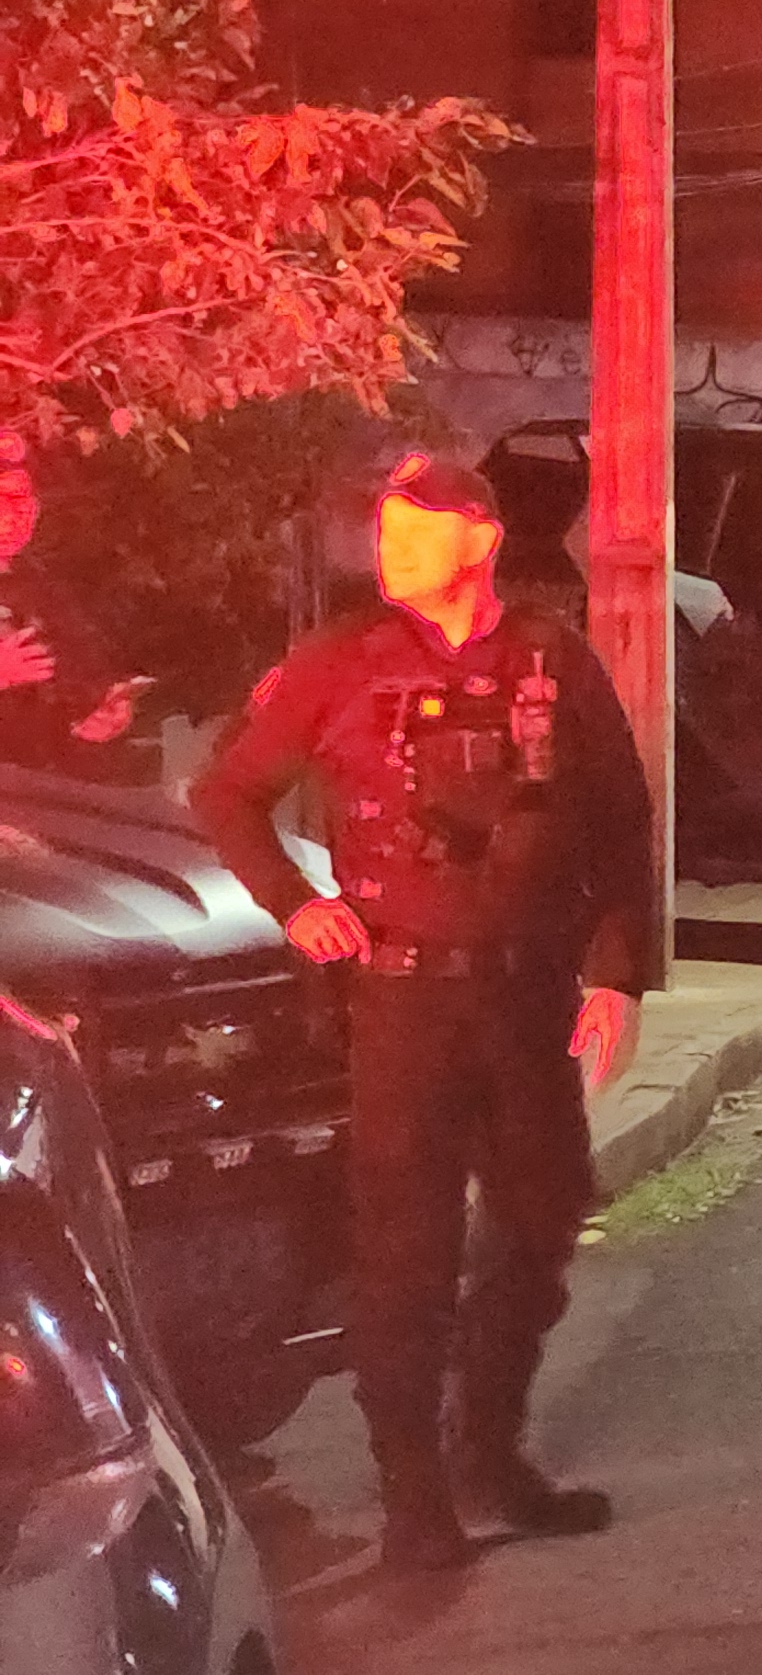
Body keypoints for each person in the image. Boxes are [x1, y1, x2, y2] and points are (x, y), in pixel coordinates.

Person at [191, 454, 660, 1573]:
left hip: (526, 994)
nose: (389, 548)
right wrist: (296, 902)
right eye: (385, 529)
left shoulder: (550, 656)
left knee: (540, 1221)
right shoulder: (343, 659)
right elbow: (228, 791)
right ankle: (413, 1496)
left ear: (479, 539)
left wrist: (617, 973)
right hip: (400, 999)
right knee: (406, 1251)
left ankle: (487, 1451)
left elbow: (619, 818)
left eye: (415, 529)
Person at [0, 428, 145, 775]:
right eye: (2, 499)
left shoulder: (37, 581)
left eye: (22, 499)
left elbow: (79, 652)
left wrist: (103, 700)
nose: (14, 515)